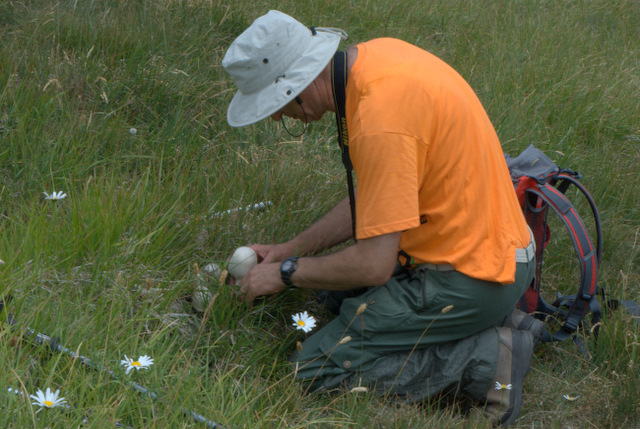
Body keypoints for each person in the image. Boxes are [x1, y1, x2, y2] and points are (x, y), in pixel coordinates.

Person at [222, 10, 544, 427]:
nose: (278, 117)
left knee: (312, 371)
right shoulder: (378, 60)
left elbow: (374, 265)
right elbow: (375, 201)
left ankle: (488, 358)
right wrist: (291, 250)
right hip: (492, 257)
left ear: (296, 85)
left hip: (470, 275)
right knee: (336, 302)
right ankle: (496, 317)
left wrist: (285, 272)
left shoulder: (380, 122)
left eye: (276, 104)